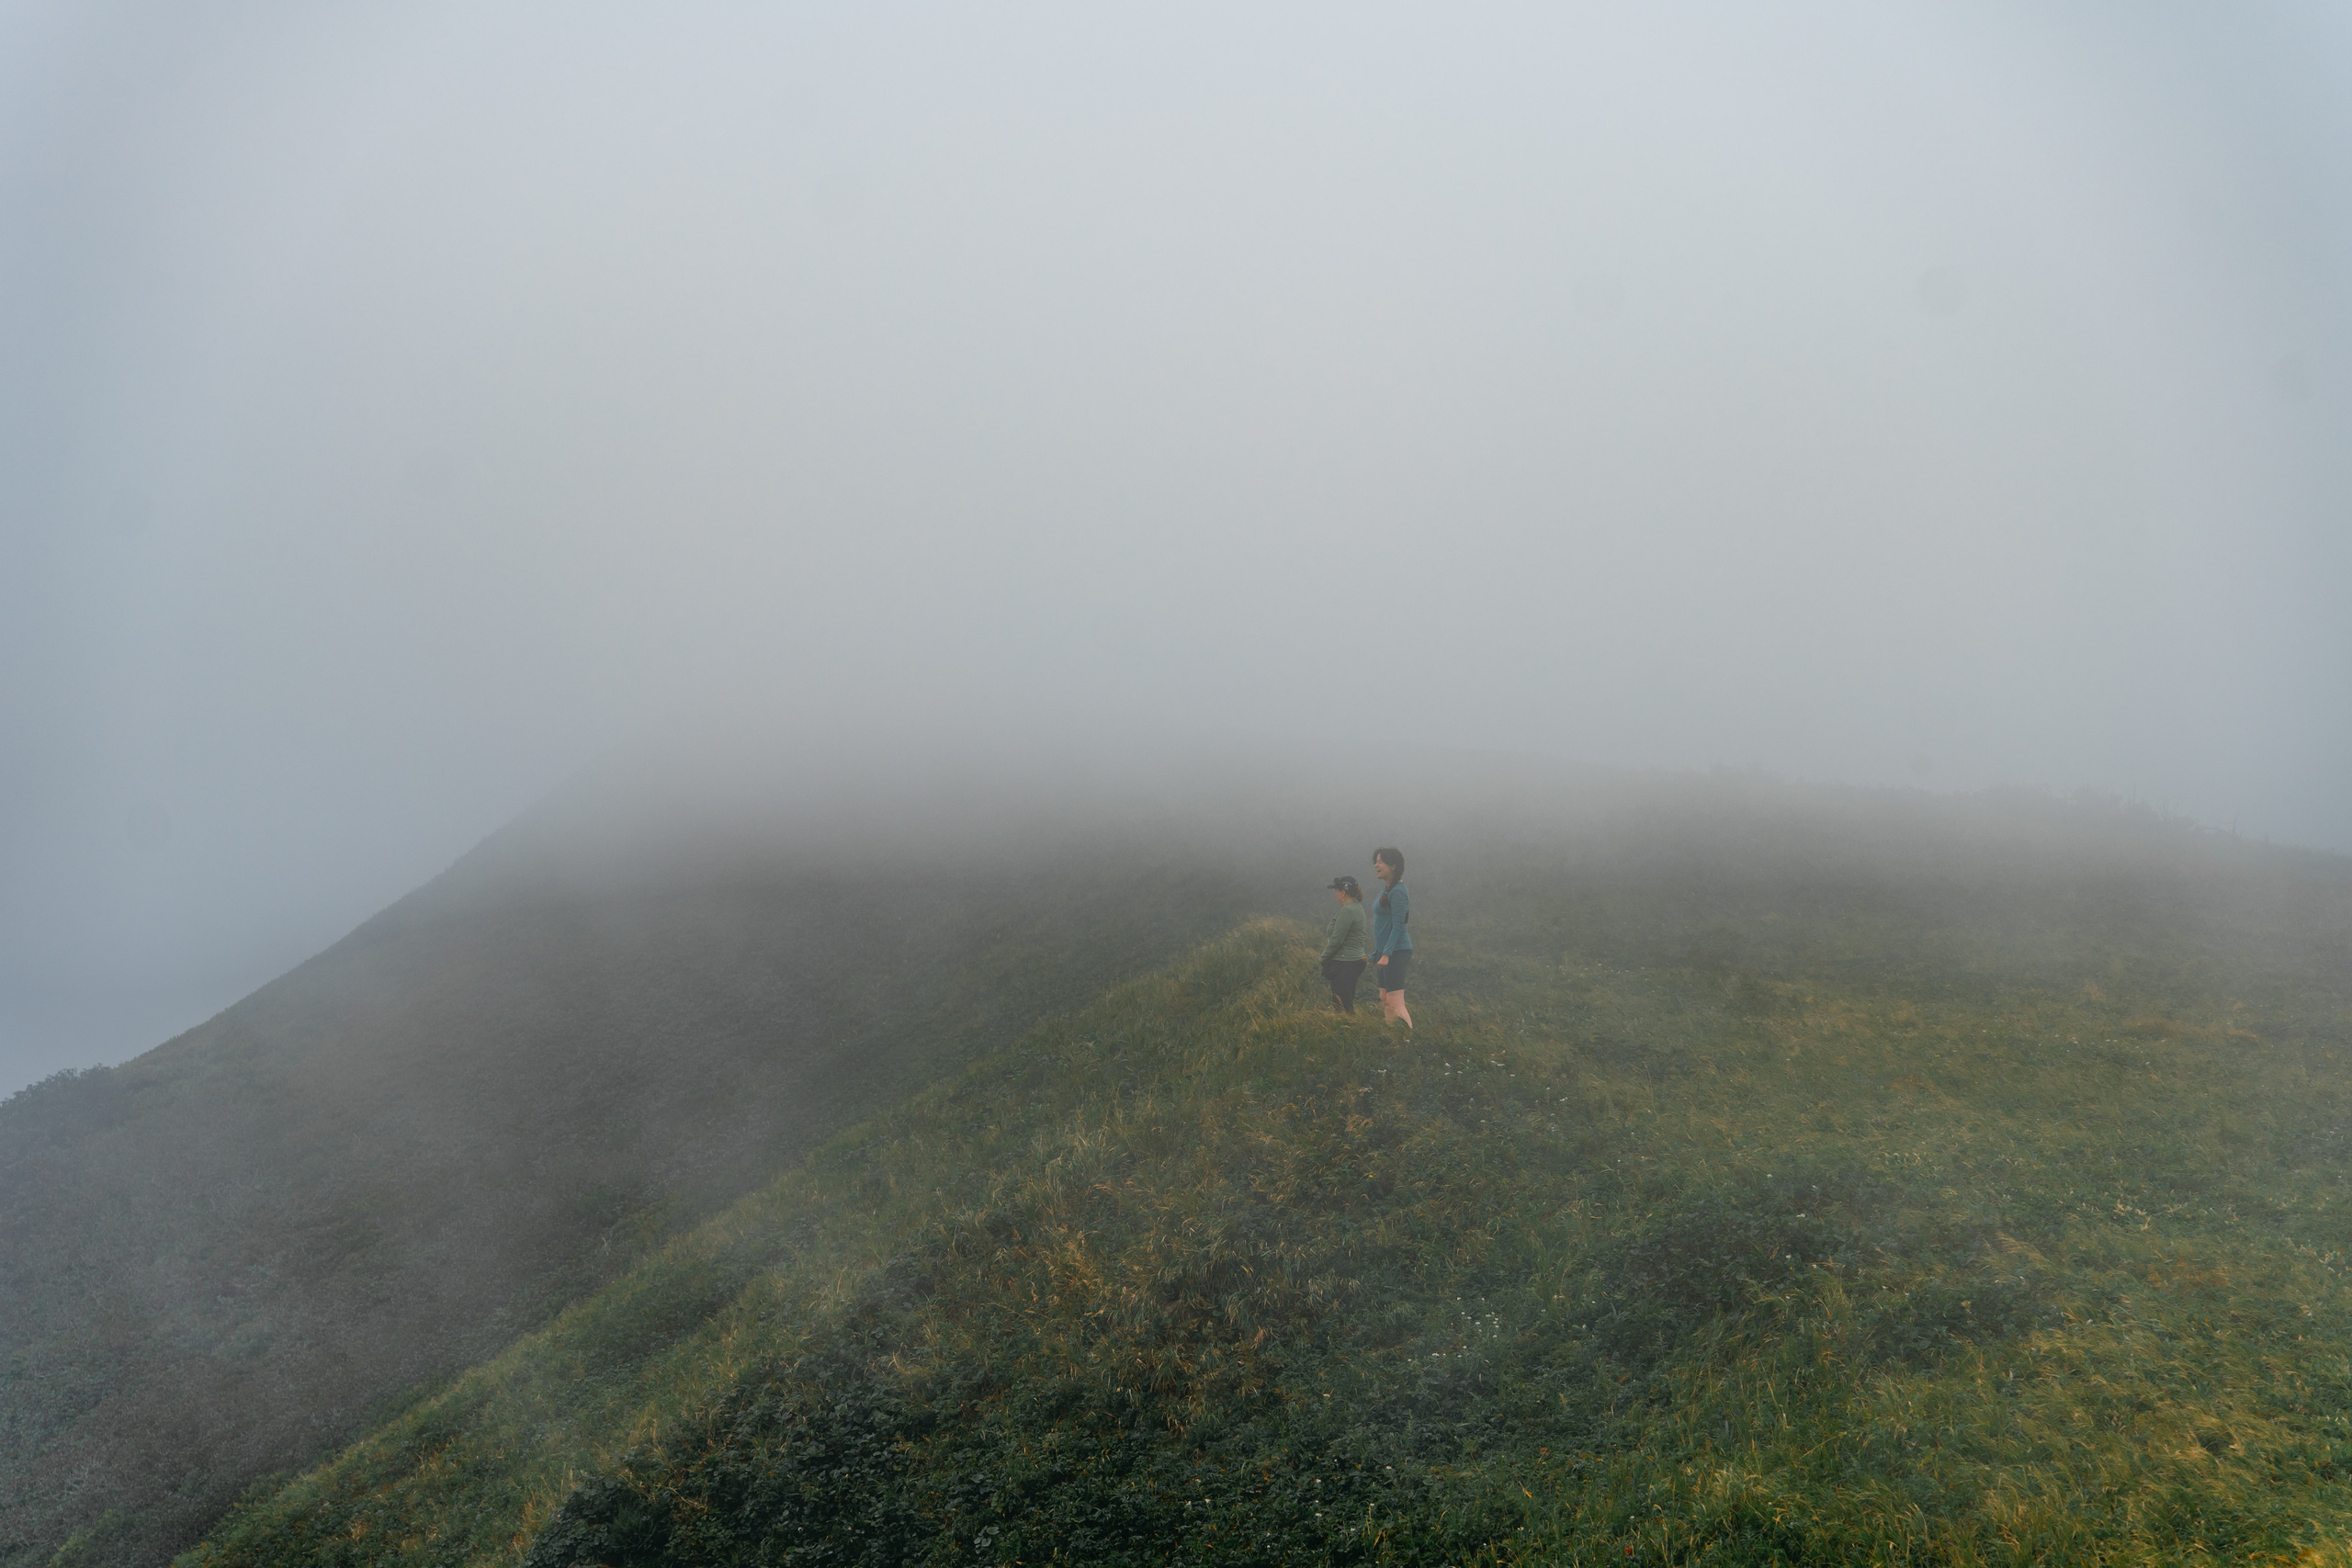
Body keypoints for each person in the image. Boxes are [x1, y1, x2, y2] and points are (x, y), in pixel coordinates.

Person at [1371, 847, 1412, 1027]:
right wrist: (1376, 952)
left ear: (1393, 866)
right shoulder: (1387, 889)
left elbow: (1398, 926)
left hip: (1397, 951)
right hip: (1385, 951)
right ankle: (1393, 1036)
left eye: (1381, 861)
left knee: (1395, 1001)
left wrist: (1386, 954)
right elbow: (1383, 926)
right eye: (1376, 861)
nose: (1376, 865)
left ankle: (1407, 1039)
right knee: (1385, 998)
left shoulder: (1399, 892)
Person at [1318, 875, 1370, 1013]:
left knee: (1341, 1006)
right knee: (1346, 1002)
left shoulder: (1347, 911)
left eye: (1336, 891)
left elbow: (1336, 939)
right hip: (1355, 961)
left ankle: (1347, 1031)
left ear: (1342, 892)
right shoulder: (1358, 908)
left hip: (1346, 962)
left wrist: (1323, 958)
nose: (1335, 895)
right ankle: (1348, 1029)